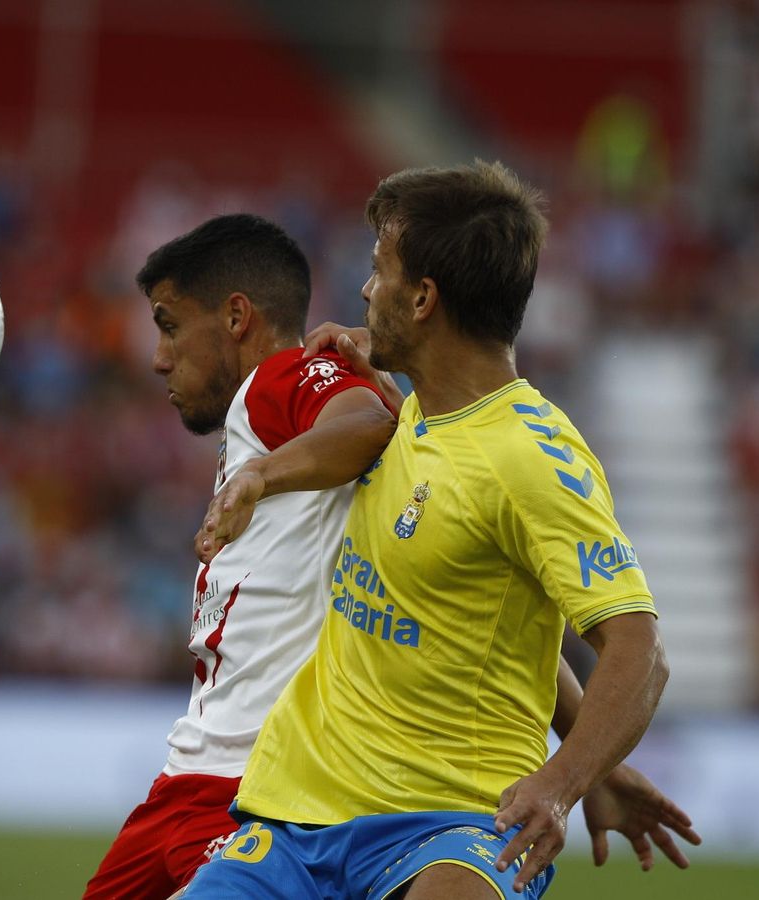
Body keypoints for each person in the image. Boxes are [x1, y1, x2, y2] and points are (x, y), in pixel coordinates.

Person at [89, 213, 696, 900]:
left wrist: (265, 473)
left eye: (169, 326)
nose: (157, 358)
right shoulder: (409, 435)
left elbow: (360, 421)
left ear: (236, 318)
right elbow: (498, 631)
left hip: (269, 782)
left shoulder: (294, 383)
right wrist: (600, 765)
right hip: (199, 772)